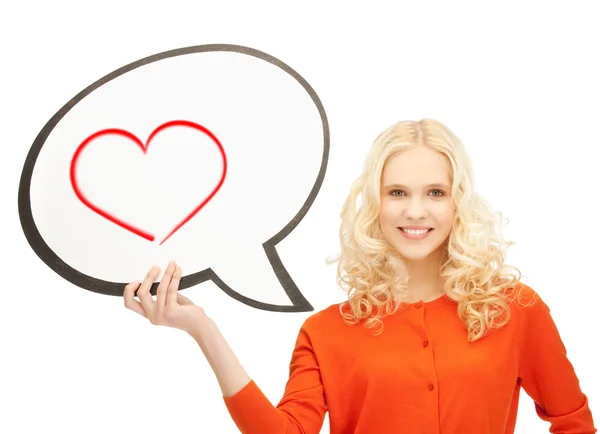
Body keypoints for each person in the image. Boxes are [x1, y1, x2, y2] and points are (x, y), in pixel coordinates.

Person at [124, 119, 597, 433]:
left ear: (459, 202)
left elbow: (574, 422)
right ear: (374, 204)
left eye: (435, 191)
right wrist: (203, 329)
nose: (416, 210)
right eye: (397, 192)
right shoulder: (327, 332)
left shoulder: (514, 310)